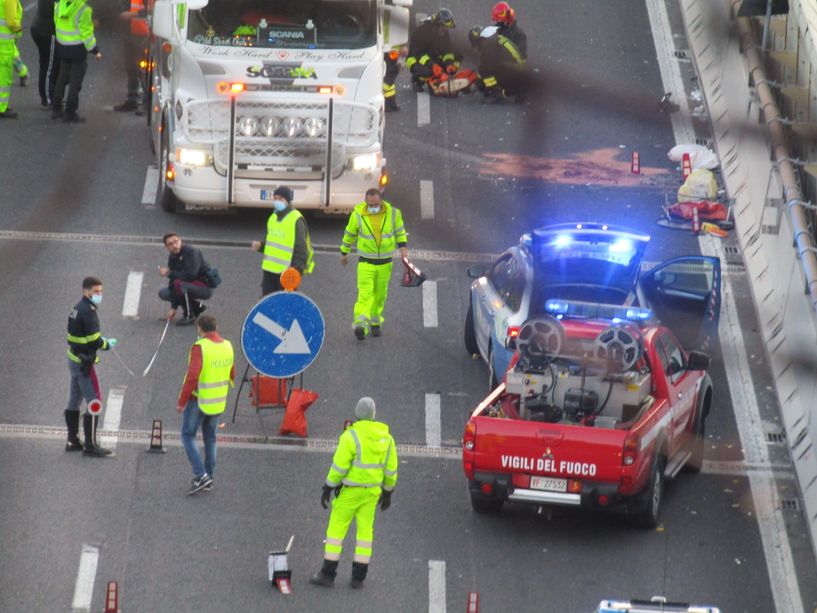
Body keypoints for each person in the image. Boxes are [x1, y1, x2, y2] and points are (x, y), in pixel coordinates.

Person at [310, 397, 398, 589]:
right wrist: (388, 492)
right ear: (374, 416)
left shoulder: (351, 437)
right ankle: (358, 578)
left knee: (336, 531)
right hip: (372, 493)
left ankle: (327, 574)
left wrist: (328, 486)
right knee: (365, 533)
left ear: (357, 415)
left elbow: (339, 466)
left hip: (350, 492)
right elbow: (391, 470)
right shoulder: (387, 439)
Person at [177, 314, 235, 495]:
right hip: (218, 400)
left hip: (198, 399)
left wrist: (182, 401)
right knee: (210, 438)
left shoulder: (200, 347)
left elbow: (192, 376)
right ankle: (208, 477)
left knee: (187, 435)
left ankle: (200, 475)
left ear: (200, 328)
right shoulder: (227, 346)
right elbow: (232, 373)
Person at [339, 188, 408, 340]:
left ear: (381, 201)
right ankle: (361, 326)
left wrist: (403, 249)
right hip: (366, 263)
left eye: (375, 204)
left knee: (380, 295)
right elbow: (349, 233)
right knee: (365, 294)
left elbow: (400, 231)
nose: (373, 207)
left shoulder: (393, 214)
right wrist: (344, 252)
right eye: (370, 204)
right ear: (366, 202)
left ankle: (375, 322)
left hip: (385, 263)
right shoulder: (358, 215)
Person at [66, 276, 117, 457]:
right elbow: (94, 340)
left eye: (101, 292)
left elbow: (72, 337)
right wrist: (106, 344)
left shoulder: (76, 309)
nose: (99, 295)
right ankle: (91, 445)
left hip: (74, 359)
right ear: (85, 291)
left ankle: (72, 440)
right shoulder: (88, 311)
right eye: (96, 292)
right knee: (95, 401)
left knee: (74, 400)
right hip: (84, 363)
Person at [250, 186, 315, 295]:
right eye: (275, 198)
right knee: (268, 305)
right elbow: (271, 243)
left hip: (286, 274)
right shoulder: (273, 218)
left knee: (285, 308)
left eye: (280, 199)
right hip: (269, 272)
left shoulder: (296, 219)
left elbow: (301, 250)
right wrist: (260, 246)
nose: (277, 201)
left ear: (287, 201)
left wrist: (295, 272)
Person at [52, 0, 102, 124]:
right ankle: (70, 112)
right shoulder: (84, 9)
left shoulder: (59, 5)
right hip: (77, 50)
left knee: (62, 77)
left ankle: (56, 108)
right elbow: (86, 33)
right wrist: (95, 50)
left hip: (62, 46)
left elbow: (56, 22)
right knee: (76, 81)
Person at [158, 233, 214, 326]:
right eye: (170, 244)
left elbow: (190, 276)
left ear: (180, 240)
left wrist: (169, 273)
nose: (174, 245)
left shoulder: (192, 252)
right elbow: (173, 281)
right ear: (166, 247)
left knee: (179, 284)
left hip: (204, 287)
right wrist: (173, 308)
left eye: (176, 241)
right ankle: (196, 307)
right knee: (164, 293)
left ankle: (189, 316)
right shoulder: (172, 258)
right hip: (190, 285)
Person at [468, 25, 527, 104]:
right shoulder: (493, 39)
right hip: (518, 71)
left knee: (484, 69)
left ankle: (496, 93)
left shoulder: (487, 46)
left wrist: (477, 84)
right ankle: (517, 89)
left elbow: (486, 67)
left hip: (512, 72)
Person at [406, 8, 458, 93]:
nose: (445, 30)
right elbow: (418, 54)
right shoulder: (421, 32)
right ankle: (417, 81)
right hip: (416, 59)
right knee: (428, 72)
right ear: (437, 25)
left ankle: (438, 79)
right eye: (444, 27)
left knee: (458, 55)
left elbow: (448, 51)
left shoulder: (443, 33)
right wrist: (433, 65)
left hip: (432, 56)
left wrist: (449, 64)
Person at [114, 0, 147, 113]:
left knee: (143, 70)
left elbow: (151, 10)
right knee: (131, 68)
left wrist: (131, 14)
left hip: (143, 35)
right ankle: (132, 100)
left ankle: (146, 104)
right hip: (129, 34)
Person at [30, 0, 59, 109]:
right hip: (47, 31)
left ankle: (49, 97)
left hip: (39, 27)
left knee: (45, 63)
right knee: (50, 66)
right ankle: (47, 99)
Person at [0, 0, 22, 119]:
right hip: (4, 45)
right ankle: (2, 107)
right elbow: (12, 22)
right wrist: (19, 29)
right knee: (4, 78)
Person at [383, 47, 400, 112]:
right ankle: (389, 104)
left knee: (389, 75)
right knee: (389, 73)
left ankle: (390, 104)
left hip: (390, 49)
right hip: (387, 49)